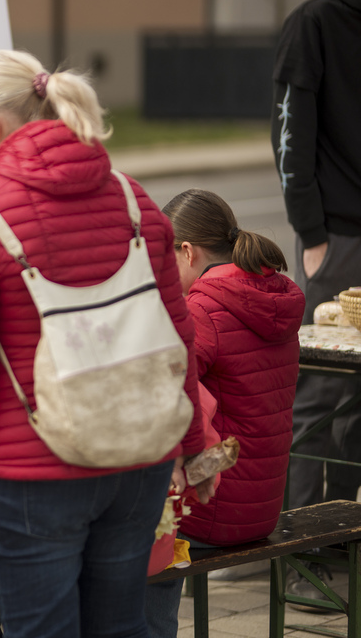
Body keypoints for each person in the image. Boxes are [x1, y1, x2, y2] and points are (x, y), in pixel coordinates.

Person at [0, 49, 206, 638]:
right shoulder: (133, 199)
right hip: (140, 456)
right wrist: (190, 443)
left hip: (31, 471)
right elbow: (176, 333)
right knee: (121, 625)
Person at [144, 189, 304, 637]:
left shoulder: (201, 309)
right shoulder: (275, 295)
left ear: (187, 252)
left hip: (215, 508)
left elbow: (162, 395)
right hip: (264, 507)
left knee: (132, 527)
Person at [273, 0, 361, 603]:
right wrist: (312, 234)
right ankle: (299, 557)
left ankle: (344, 537)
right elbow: (289, 133)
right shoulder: (314, 23)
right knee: (321, 398)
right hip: (341, 240)